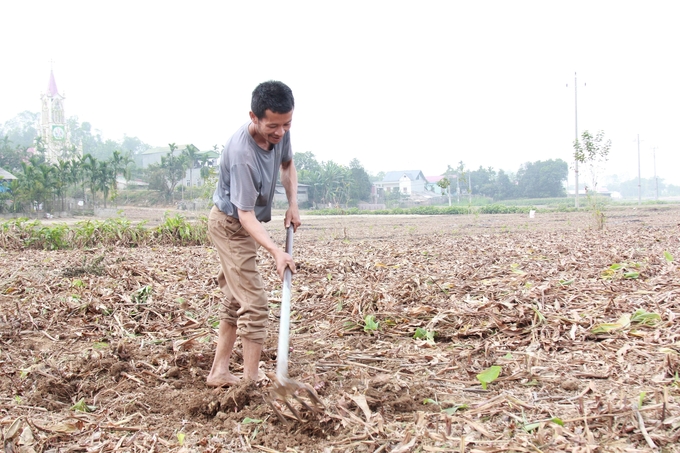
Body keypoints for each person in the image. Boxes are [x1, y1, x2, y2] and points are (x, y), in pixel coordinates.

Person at [206, 80, 300, 387]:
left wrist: (293, 205)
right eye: (273, 125)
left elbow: (287, 165)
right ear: (254, 116)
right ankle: (250, 381)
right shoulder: (242, 154)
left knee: (236, 297)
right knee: (256, 301)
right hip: (230, 225)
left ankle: (220, 372)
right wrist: (276, 251)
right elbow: (245, 215)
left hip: (243, 224)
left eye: (287, 124)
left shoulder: (279, 133)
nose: (281, 132)